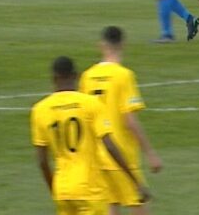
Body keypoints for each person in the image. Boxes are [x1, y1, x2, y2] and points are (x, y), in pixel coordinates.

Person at [31, 56, 150, 215]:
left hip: (63, 190)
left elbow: (42, 161)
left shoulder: (40, 110)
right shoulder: (90, 104)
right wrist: (135, 181)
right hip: (89, 189)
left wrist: (55, 189)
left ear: (53, 79)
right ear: (76, 76)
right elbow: (109, 146)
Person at [80, 26, 162, 215]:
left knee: (111, 206)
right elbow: (129, 120)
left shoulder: (87, 76)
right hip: (121, 155)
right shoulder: (124, 76)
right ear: (123, 44)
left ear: (101, 45)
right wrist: (150, 153)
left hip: (98, 156)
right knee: (139, 205)